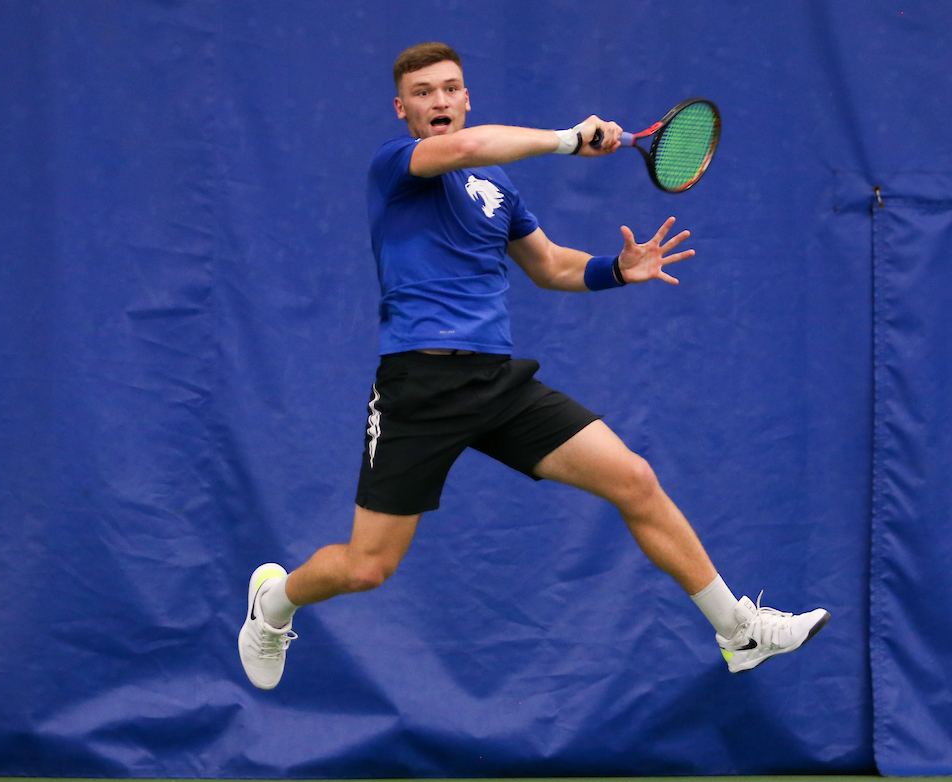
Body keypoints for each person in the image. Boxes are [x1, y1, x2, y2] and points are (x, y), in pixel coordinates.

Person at [238, 42, 828, 691]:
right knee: (366, 569)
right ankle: (273, 602)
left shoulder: (498, 188)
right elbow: (467, 149)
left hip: (495, 382)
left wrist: (617, 270)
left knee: (633, 478)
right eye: (424, 92)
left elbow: (549, 266)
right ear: (403, 108)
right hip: (418, 388)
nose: (438, 100)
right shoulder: (396, 166)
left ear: (467, 98)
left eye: (450, 88)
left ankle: (737, 630)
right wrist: (568, 139)